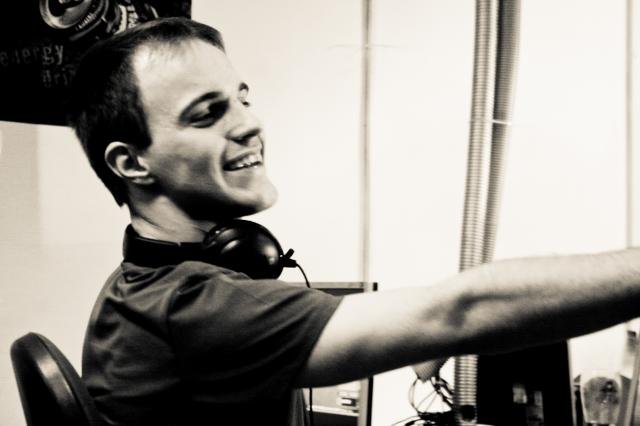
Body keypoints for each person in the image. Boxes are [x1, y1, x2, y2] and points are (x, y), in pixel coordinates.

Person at [67, 16, 640, 426]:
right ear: (131, 163)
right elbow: (462, 311)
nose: (249, 124)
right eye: (208, 114)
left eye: (242, 98)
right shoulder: (196, 309)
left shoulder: (134, 288)